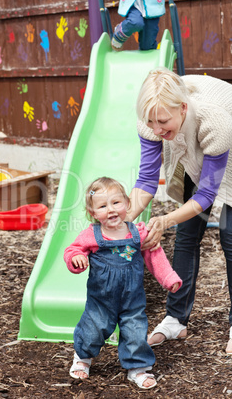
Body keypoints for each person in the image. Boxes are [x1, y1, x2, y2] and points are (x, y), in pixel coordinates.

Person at [127, 67, 232, 354]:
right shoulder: (152, 120)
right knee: (187, 235)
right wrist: (122, 220)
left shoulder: (214, 120)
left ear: (183, 108)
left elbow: (208, 192)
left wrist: (165, 220)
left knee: (230, 238)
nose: (157, 129)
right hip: (197, 153)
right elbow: (147, 180)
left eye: (162, 121)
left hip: (228, 145)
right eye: (151, 121)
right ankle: (176, 318)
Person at [64, 176, 182, 389]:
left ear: (128, 204)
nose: (110, 210)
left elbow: (155, 256)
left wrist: (169, 278)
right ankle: (83, 357)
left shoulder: (139, 233)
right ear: (93, 213)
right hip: (101, 299)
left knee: (135, 330)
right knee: (93, 328)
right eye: (102, 206)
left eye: (116, 203)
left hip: (132, 298)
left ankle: (137, 369)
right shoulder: (92, 234)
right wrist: (76, 259)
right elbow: (73, 250)